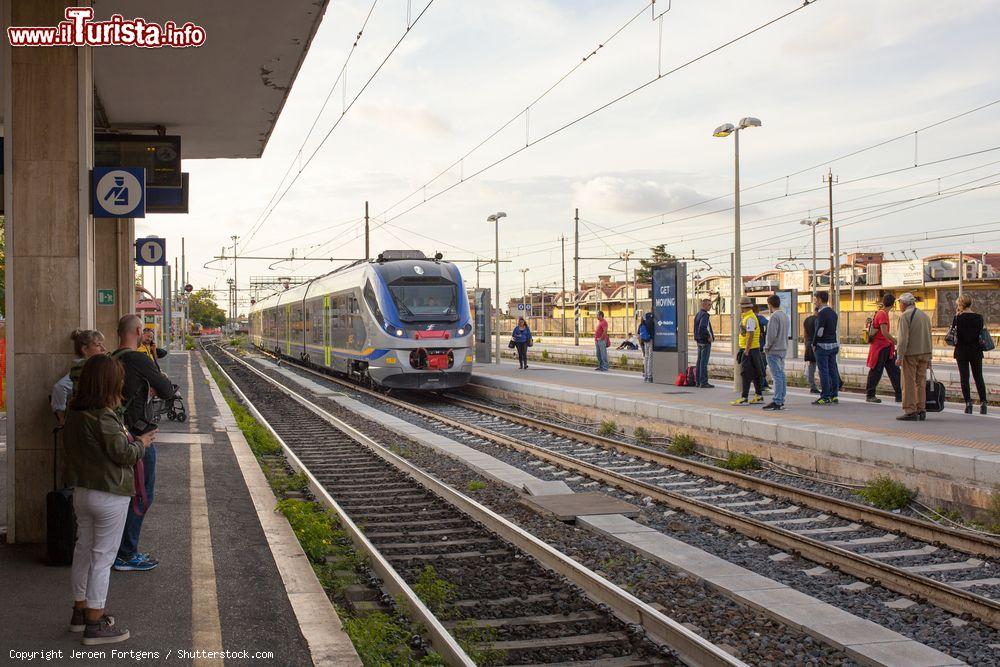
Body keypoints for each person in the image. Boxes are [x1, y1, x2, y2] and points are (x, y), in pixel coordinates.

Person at [64, 354, 155, 645]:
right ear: (108, 382)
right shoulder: (104, 416)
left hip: (83, 491)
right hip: (109, 494)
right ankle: (95, 622)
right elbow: (123, 454)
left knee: (83, 551)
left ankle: (80, 612)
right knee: (102, 558)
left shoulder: (75, 413)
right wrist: (141, 443)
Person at [112, 314, 176, 572]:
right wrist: (154, 386)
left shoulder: (109, 358)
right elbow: (167, 389)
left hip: (115, 432)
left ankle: (117, 549)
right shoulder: (138, 358)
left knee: (120, 495)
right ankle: (126, 553)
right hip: (140, 436)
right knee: (141, 494)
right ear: (139, 331)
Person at [51, 329, 108, 424]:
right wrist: (62, 419)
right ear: (85, 349)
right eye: (98, 345)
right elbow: (59, 387)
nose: (103, 349)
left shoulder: (89, 368)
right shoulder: (82, 370)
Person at [895, 293, 932, 421]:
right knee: (920, 382)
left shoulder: (905, 316)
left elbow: (902, 339)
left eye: (900, 303)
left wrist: (899, 355)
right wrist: (929, 356)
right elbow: (929, 336)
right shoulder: (925, 316)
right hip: (924, 353)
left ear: (904, 304)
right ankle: (921, 409)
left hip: (910, 354)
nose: (899, 305)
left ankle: (910, 410)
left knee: (908, 382)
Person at [951, 294, 988, 415]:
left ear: (960, 305)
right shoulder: (979, 317)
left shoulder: (957, 318)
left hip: (961, 351)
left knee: (964, 378)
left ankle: (968, 404)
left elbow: (953, 334)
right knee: (978, 377)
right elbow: (981, 333)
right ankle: (983, 403)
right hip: (976, 350)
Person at [864, 294, 902, 404]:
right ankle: (870, 395)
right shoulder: (882, 314)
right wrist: (895, 341)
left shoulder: (881, 313)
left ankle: (899, 395)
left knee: (894, 371)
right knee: (876, 371)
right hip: (880, 348)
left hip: (885, 348)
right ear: (893, 304)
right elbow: (884, 332)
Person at [731, 297, 764, 406]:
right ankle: (759, 396)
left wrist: (746, 350)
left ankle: (744, 397)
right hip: (753, 349)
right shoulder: (749, 317)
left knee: (746, 374)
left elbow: (750, 335)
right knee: (755, 374)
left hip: (749, 350)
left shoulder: (749, 318)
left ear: (743, 307)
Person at [811, 291, 840, 406]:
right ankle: (834, 395)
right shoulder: (833, 313)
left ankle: (825, 396)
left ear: (819, 299)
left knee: (823, 371)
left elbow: (819, 331)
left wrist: (814, 344)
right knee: (833, 370)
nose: (814, 301)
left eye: (815, 299)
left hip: (822, 346)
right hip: (833, 345)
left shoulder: (821, 314)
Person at [762, 294, 789, 410]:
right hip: (783, 348)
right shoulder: (784, 315)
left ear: (770, 304)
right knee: (781, 374)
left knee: (776, 376)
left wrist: (766, 347)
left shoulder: (774, 317)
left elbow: (771, 335)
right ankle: (781, 398)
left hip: (774, 350)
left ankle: (777, 400)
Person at [693, 298, 714, 388]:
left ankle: (698, 381)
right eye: (709, 305)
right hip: (705, 341)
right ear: (704, 305)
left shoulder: (698, 314)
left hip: (699, 341)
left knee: (699, 362)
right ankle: (704, 382)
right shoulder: (705, 315)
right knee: (704, 363)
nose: (710, 306)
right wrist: (708, 336)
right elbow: (702, 327)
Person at [803, 305, 819, 394]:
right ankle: (826, 386)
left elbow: (805, 334)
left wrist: (806, 345)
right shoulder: (819, 320)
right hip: (817, 344)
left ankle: (812, 386)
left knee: (811, 366)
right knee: (821, 366)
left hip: (809, 344)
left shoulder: (807, 320)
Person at [755, 305, 770, 392]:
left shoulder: (750, 318)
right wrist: (764, 333)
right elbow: (768, 323)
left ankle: (763, 384)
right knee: (762, 366)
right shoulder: (760, 318)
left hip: (755, 347)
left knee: (760, 367)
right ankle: (763, 384)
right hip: (760, 346)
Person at [638, 311, 654, 382]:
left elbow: (639, 335)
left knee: (646, 357)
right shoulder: (651, 321)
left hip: (644, 341)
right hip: (650, 340)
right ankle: (649, 376)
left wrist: (641, 346)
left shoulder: (642, 323)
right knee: (650, 358)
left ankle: (646, 375)